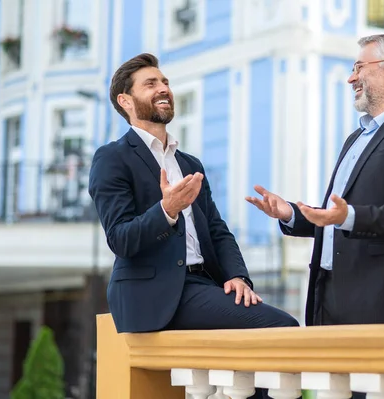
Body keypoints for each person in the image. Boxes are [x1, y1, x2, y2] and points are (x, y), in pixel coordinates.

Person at [88, 52, 299, 399]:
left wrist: (238, 277)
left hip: (204, 285)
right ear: (125, 101)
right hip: (156, 295)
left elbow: (217, 230)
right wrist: (167, 210)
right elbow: (121, 239)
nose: (163, 88)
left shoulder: (188, 163)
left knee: (260, 351)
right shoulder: (112, 158)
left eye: (165, 82)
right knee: (281, 328)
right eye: (151, 83)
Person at [247, 34, 384, 330]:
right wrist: (291, 213)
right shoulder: (355, 138)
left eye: (359, 67)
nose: (351, 78)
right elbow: (334, 220)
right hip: (326, 296)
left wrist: (348, 216)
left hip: (378, 304)